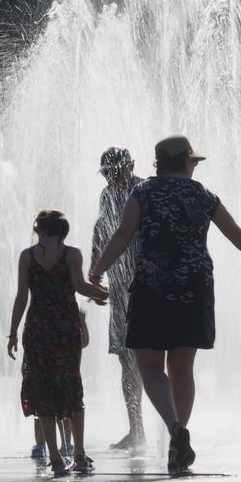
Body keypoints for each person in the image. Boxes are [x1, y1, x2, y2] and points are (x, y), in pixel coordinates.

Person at [88, 135, 241, 476]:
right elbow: (240, 237)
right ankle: (177, 443)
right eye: (193, 160)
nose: (196, 164)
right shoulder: (202, 195)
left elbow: (122, 235)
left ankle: (174, 428)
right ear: (183, 162)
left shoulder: (141, 194)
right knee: (182, 367)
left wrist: (96, 271)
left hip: (153, 287)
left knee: (150, 366)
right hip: (194, 288)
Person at [7, 209, 107, 476]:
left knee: (43, 391)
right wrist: (100, 293)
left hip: (38, 328)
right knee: (72, 384)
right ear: (64, 231)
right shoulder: (71, 254)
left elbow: (21, 297)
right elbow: (79, 286)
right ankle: (80, 454)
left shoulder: (27, 257)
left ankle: (55, 458)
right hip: (65, 327)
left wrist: (13, 332)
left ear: (39, 229)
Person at [91, 146, 145, 450]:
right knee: (127, 361)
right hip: (120, 289)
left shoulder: (145, 190)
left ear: (130, 166)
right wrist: (94, 269)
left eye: (115, 173)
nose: (111, 179)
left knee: (151, 358)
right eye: (107, 175)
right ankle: (136, 429)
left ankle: (174, 427)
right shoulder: (106, 196)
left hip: (147, 289)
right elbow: (101, 229)